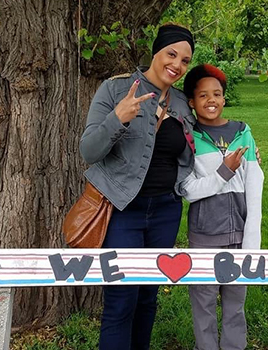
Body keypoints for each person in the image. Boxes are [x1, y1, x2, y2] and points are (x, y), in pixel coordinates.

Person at [79, 24, 196, 350]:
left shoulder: (183, 104)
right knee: (121, 300)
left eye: (185, 60)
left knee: (147, 297)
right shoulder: (115, 90)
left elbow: (203, 144)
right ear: (156, 51)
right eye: (171, 54)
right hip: (121, 211)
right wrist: (118, 117)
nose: (177, 65)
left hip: (165, 212)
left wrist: (241, 149)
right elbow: (88, 151)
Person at [180, 64, 264, 350]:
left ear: (224, 98)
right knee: (202, 302)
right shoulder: (187, 136)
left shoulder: (243, 133)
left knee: (236, 305)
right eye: (203, 96)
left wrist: (252, 238)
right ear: (192, 102)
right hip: (204, 237)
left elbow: (255, 183)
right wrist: (223, 172)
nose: (211, 100)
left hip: (240, 237)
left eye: (217, 94)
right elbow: (187, 190)